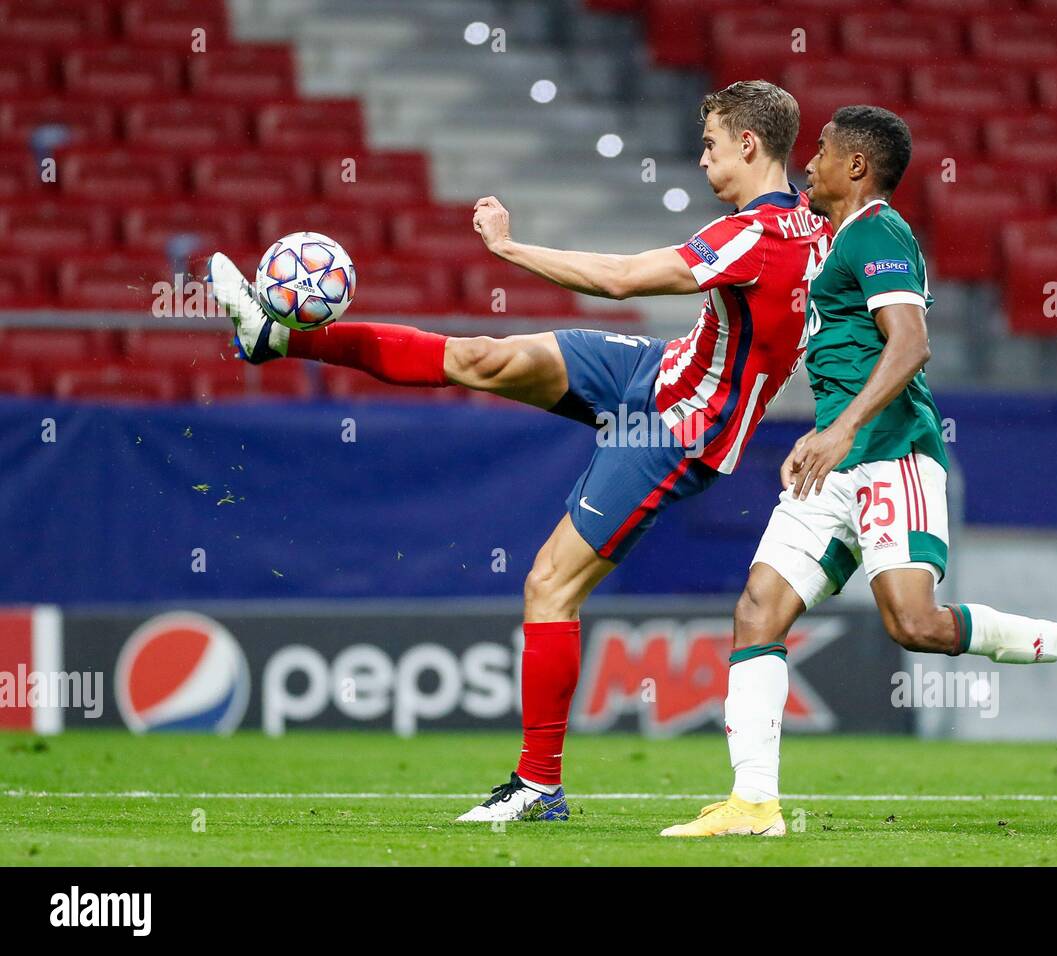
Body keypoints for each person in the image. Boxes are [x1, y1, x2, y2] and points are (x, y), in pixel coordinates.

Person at [208, 80, 831, 822]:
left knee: (548, 586)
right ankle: (274, 337)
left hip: (678, 429)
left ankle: (538, 786)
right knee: (484, 358)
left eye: (711, 145)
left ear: (749, 145)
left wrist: (507, 248)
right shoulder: (814, 230)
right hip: (657, 369)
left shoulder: (753, 236)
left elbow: (622, 278)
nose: (703, 161)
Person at [660, 106, 1057, 839]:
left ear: (857, 167)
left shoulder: (879, 233)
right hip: (836, 465)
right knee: (757, 611)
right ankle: (754, 804)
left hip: (891, 453)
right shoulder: (833, 238)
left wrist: (838, 429)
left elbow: (911, 344)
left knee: (915, 624)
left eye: (824, 152)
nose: (811, 163)